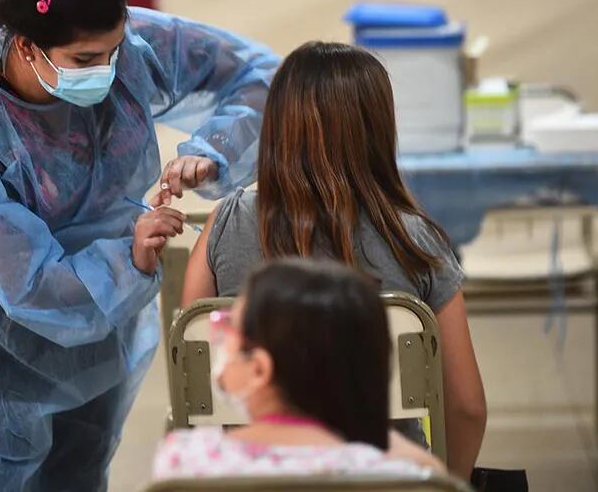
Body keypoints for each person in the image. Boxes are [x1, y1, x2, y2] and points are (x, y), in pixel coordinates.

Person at [0, 0, 281, 491]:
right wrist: (130, 256)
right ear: (25, 46)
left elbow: (262, 75)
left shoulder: (126, 46)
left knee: (78, 470)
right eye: (86, 62)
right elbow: (30, 287)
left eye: (114, 51)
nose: (109, 72)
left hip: (103, 304)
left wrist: (210, 150)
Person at [180, 41, 486, 478]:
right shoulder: (415, 240)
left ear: (278, 124)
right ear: (378, 128)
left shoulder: (225, 224)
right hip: (385, 481)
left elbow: (194, 383)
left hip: (252, 481)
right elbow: (467, 406)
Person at [154, 258, 445, 481]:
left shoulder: (188, 462)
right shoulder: (405, 473)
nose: (220, 338)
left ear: (259, 370)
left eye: (229, 328)